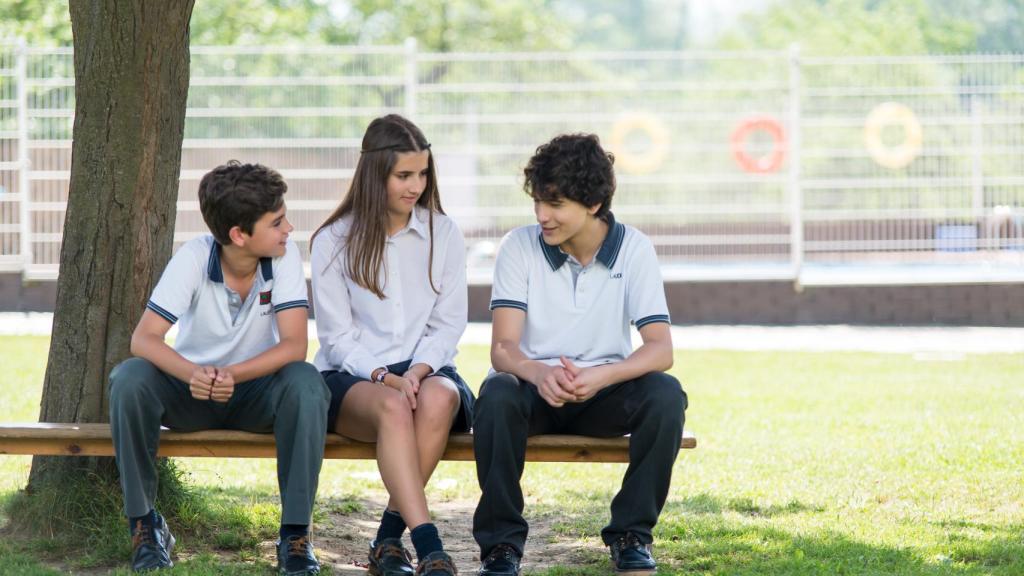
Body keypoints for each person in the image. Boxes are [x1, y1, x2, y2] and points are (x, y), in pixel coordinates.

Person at [472, 134, 687, 576]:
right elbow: (503, 349)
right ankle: (501, 546)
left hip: (603, 396)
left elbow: (660, 349)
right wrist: (538, 373)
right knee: (496, 393)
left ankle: (632, 535)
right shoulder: (518, 246)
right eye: (537, 201)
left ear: (592, 203)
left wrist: (602, 376)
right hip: (534, 394)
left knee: (665, 395)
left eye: (555, 204)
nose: (541, 215)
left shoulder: (635, 249)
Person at [108, 161, 329, 575]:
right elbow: (144, 339)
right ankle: (144, 526)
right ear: (239, 235)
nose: (289, 229)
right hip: (192, 393)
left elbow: (295, 345)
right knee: (129, 378)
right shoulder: (194, 257)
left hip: (258, 394)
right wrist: (194, 373)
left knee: (306, 383)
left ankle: (296, 536)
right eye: (277, 221)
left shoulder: (282, 257)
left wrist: (234, 375)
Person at [311, 114, 472, 576]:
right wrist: (385, 376)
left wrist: (419, 372)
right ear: (374, 173)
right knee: (395, 407)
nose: (416, 185)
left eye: (422, 174)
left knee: (442, 395)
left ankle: (386, 539)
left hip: (426, 370)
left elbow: (447, 324)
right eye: (404, 175)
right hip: (355, 377)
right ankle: (429, 543)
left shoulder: (445, 233)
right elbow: (336, 340)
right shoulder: (333, 240)